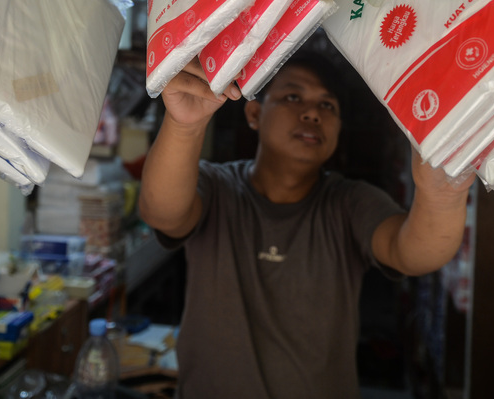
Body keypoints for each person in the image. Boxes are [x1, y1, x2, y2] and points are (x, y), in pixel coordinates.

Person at [138, 50, 475, 398]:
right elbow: (161, 212)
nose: (313, 112)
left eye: (328, 106)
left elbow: (413, 253)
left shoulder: (350, 203)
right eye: (293, 97)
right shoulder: (215, 187)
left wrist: (441, 195)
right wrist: (184, 125)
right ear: (254, 112)